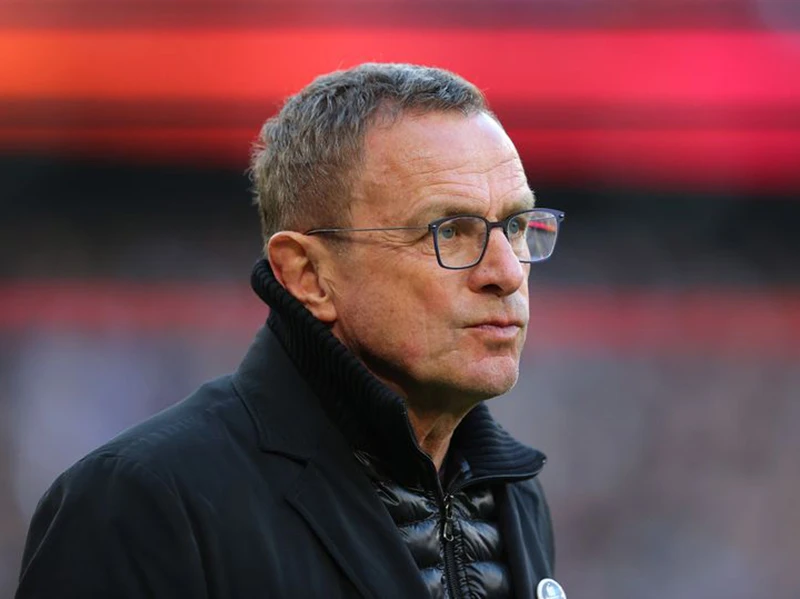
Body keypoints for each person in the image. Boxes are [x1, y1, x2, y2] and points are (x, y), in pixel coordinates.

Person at [16, 63, 566, 599]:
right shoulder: (141, 503)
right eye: (449, 231)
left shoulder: (514, 497)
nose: (507, 272)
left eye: (516, 226)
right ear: (308, 276)